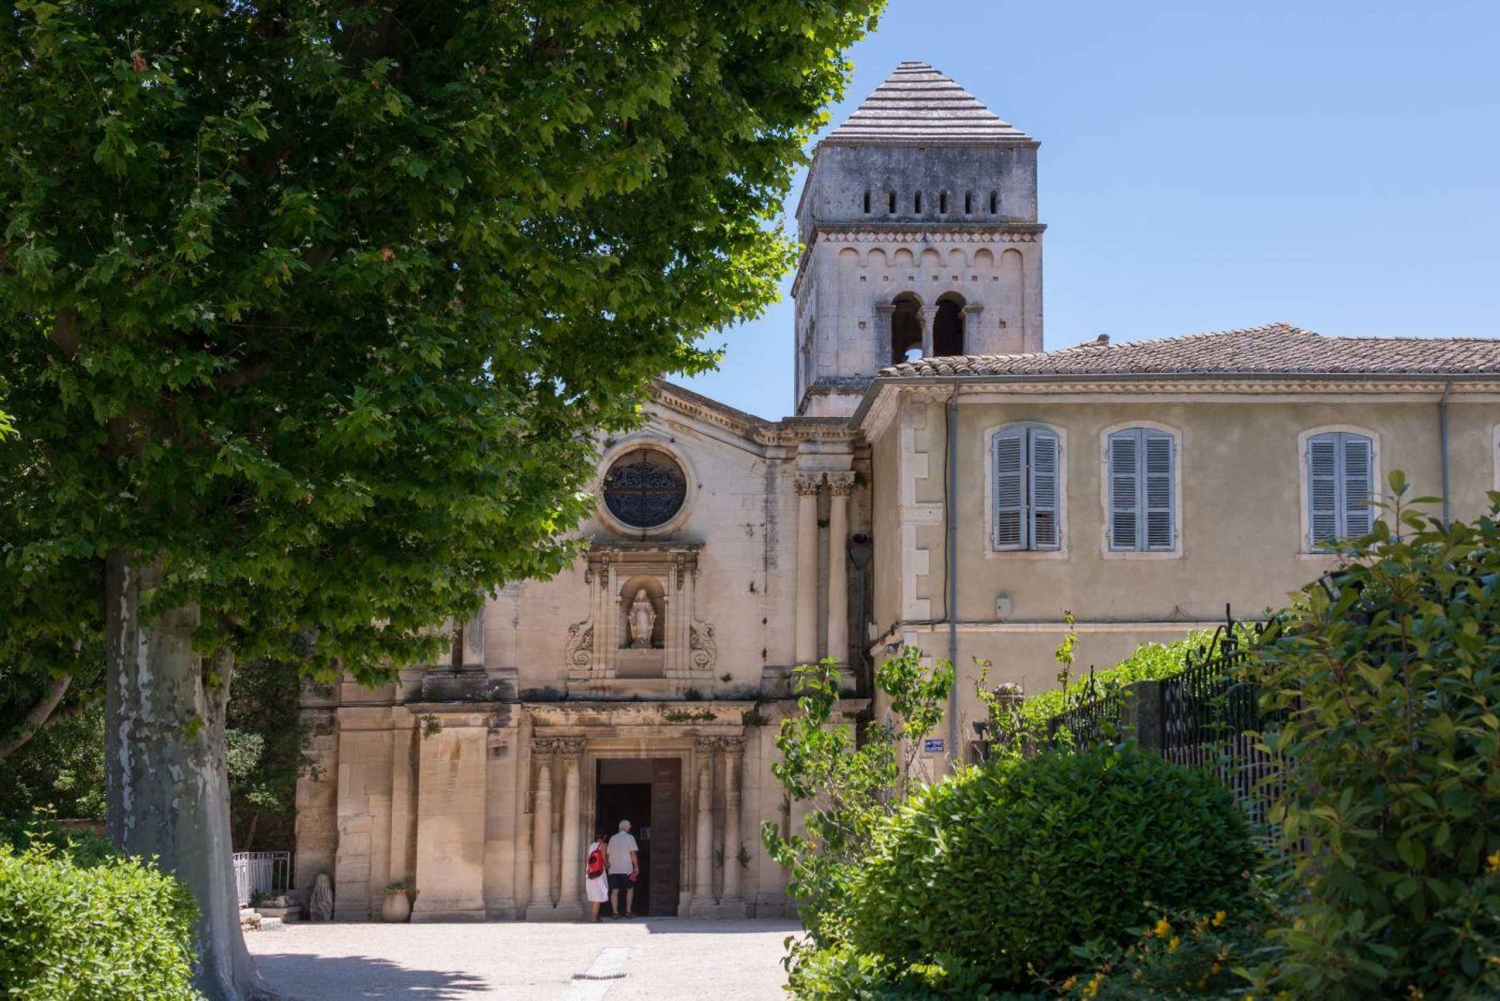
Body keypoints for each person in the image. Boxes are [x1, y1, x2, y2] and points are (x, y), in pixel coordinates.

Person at [606, 818, 639, 918]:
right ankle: (628, 911)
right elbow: (633, 853)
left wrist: (608, 866)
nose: (630, 827)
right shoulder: (630, 837)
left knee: (614, 891)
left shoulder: (612, 838)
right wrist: (636, 866)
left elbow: (608, 854)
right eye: (629, 826)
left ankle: (615, 913)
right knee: (630, 889)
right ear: (626, 827)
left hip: (613, 869)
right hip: (626, 869)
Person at [585, 829, 610, 922]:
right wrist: (608, 865)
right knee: (598, 895)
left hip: (590, 872)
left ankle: (594, 916)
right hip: (599, 873)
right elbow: (603, 858)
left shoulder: (591, 845)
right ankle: (593, 918)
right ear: (605, 837)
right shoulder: (603, 845)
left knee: (594, 895)